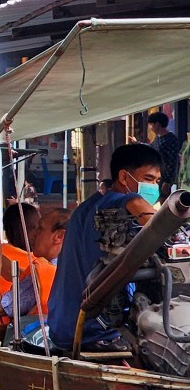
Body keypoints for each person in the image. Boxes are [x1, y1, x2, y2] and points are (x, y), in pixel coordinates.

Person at [45, 144, 161, 354]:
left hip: (61, 326)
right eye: (148, 179)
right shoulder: (125, 200)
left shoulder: (86, 208)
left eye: (156, 181)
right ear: (124, 178)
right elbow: (159, 224)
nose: (154, 186)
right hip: (95, 332)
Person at [0, 205, 71, 321]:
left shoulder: (40, 275)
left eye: (40, 229)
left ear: (59, 236)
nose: (32, 235)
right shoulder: (78, 266)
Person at [147, 112, 182, 199]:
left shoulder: (171, 139)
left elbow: (172, 162)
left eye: (152, 125)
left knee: (163, 201)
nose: (151, 128)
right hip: (156, 174)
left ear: (158, 124)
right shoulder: (158, 138)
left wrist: (167, 181)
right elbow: (151, 147)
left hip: (164, 177)